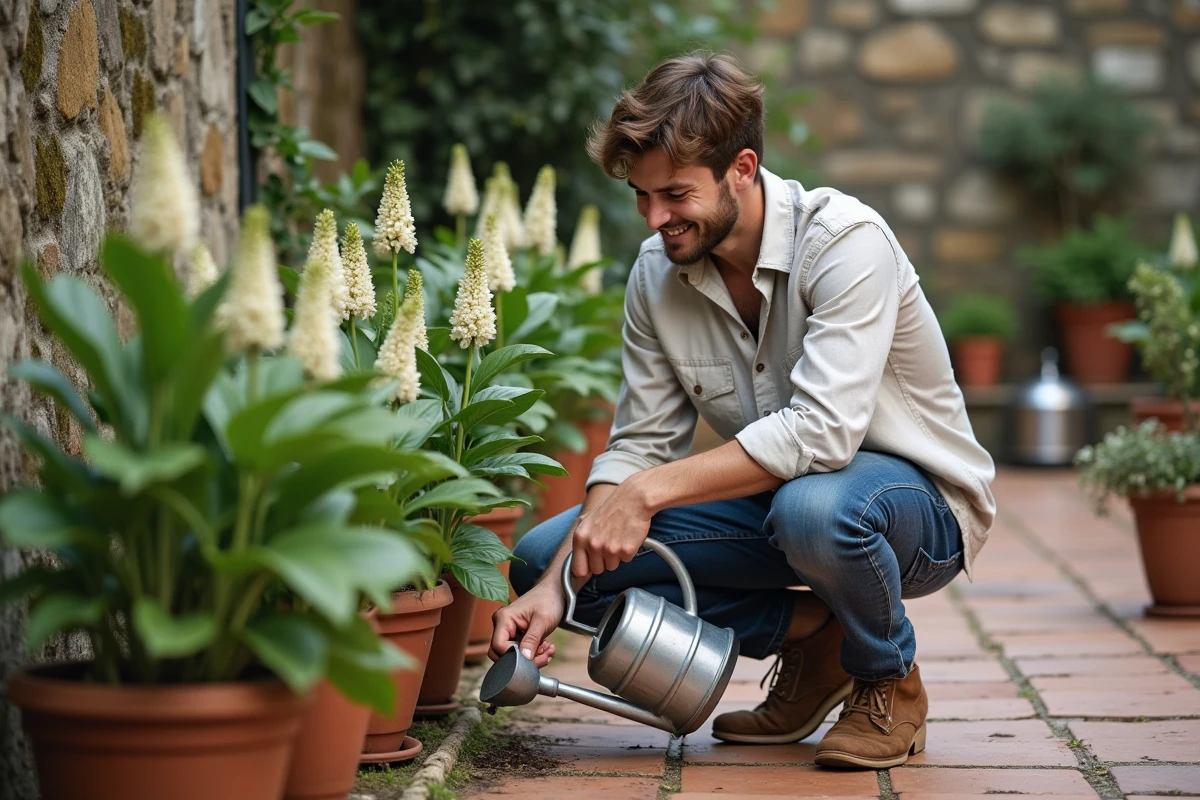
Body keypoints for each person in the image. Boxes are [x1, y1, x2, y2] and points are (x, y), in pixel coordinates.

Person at [488, 51, 996, 770]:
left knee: (814, 507)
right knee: (551, 558)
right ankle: (818, 638)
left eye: (675, 195)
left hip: (913, 512)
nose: (655, 218)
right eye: (641, 196)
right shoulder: (654, 276)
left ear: (744, 168)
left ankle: (889, 679)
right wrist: (555, 586)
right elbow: (638, 442)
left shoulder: (846, 243)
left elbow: (821, 434)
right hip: (779, 504)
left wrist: (646, 494)